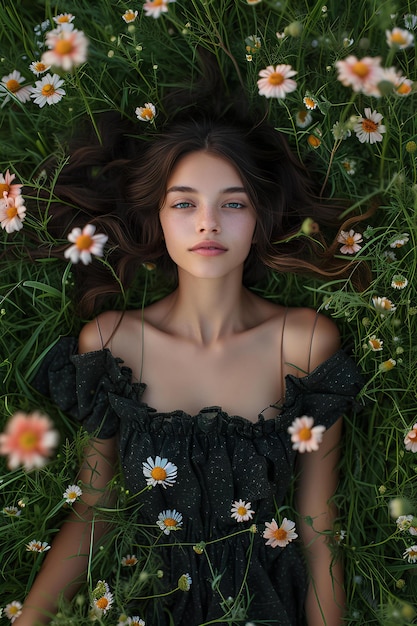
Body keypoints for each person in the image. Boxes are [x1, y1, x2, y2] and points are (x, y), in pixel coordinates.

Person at [15, 101, 366, 626]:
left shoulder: (303, 342)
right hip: (146, 600)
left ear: (259, 217)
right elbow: (96, 505)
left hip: (262, 604)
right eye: (184, 204)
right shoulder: (113, 343)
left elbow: (318, 523)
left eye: (233, 204)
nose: (207, 223)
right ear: (157, 215)